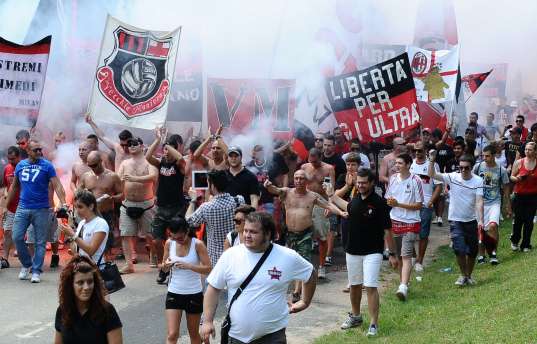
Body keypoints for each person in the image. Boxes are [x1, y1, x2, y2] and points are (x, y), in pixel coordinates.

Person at [200, 212, 317, 344]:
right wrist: (207, 321)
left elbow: (310, 273)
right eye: (245, 231)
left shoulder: (287, 256)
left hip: (273, 337)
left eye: (253, 232)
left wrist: (304, 302)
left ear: (267, 234)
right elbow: (213, 288)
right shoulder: (230, 255)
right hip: (236, 336)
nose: (247, 235)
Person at [328, 168, 397, 336]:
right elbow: (348, 207)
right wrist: (331, 195)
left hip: (373, 251)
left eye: (364, 183)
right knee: (355, 285)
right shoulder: (356, 199)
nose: (360, 185)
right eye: (358, 182)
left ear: (372, 183)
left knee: (371, 286)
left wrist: (393, 254)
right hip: (352, 250)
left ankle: (374, 323)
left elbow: (388, 230)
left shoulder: (380, 203)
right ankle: (356, 316)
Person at [264, 170, 347, 298]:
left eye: (301, 178)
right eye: (296, 178)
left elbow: (328, 205)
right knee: (290, 261)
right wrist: (268, 185)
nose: (298, 181)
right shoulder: (286, 192)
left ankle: (297, 290)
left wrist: (341, 213)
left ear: (306, 181)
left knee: (303, 260)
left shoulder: (312, 196)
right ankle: (285, 288)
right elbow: (274, 190)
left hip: (305, 234)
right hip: (290, 233)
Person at [6, 140, 67, 283]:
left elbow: (57, 185)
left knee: (40, 242)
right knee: (17, 237)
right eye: (36, 150)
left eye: (40, 149)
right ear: (28, 151)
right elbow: (14, 187)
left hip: (42, 209)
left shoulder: (47, 165)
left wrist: (63, 202)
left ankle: (36, 270)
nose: (39, 152)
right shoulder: (21, 165)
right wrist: (6, 206)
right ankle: (27, 264)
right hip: (23, 207)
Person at [429, 153, 484, 286]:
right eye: (461, 167)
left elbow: (479, 201)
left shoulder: (478, 181)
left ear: (472, 167)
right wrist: (431, 160)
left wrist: (480, 219)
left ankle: (469, 275)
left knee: (472, 251)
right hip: (455, 220)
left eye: (466, 168)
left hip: (471, 220)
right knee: (459, 249)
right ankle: (463, 275)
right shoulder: (453, 177)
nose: (463, 170)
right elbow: (433, 174)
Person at [145, 128, 187, 282]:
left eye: (169, 149)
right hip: (161, 208)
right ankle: (165, 266)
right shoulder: (161, 162)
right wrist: (158, 140)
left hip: (177, 208)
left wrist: (168, 144)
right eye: (164, 149)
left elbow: (181, 159)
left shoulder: (179, 165)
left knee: (178, 239)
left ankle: (172, 268)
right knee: (156, 240)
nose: (166, 152)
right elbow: (148, 156)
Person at [162, 217, 211, 344]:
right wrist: (165, 266)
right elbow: (163, 267)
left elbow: (208, 269)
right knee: (172, 334)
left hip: (194, 293)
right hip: (174, 292)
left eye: (180, 238)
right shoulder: (169, 243)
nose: (177, 241)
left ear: (187, 231)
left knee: (193, 333)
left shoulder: (198, 244)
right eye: (173, 237)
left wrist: (190, 266)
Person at [54, 255, 123, 344]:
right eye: (80, 283)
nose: (86, 287)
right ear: (70, 285)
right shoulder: (63, 310)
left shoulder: (107, 311)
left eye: (90, 282)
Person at [384, 153, 423, 301]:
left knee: (406, 256)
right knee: (400, 257)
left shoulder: (415, 180)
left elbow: (419, 205)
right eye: (396, 163)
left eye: (400, 163)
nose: (397, 166)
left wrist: (398, 204)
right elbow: (388, 198)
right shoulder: (393, 179)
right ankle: (403, 283)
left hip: (411, 222)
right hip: (394, 221)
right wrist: (391, 203)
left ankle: (403, 287)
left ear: (408, 164)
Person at [186, 169, 244, 267]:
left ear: (212, 185)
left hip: (216, 259)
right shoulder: (239, 200)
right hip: (237, 255)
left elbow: (189, 221)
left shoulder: (206, 207)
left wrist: (193, 200)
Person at [117, 137, 158, 274]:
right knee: (126, 234)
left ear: (142, 146)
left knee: (150, 234)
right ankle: (129, 264)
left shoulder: (149, 161)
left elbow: (153, 176)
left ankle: (153, 254)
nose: (131, 146)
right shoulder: (124, 163)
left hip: (146, 204)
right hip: (128, 203)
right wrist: (119, 182)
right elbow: (118, 179)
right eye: (129, 144)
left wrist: (135, 179)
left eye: (135, 144)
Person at [300, 148, 335, 278]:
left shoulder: (329, 169)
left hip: (321, 201)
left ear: (320, 157)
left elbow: (331, 188)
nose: (313, 163)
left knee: (322, 236)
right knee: (304, 235)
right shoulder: (304, 167)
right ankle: (305, 266)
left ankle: (321, 266)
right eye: (311, 160)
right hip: (307, 200)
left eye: (315, 161)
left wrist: (330, 206)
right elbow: (298, 184)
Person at [78, 151, 123, 251]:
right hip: (89, 214)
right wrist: (84, 194)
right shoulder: (86, 176)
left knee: (106, 241)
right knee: (88, 239)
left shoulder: (112, 176)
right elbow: (78, 194)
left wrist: (112, 198)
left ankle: (105, 261)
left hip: (106, 213)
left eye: (94, 165)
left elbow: (121, 194)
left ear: (101, 161)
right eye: (90, 165)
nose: (92, 168)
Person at [473, 145, 509, 264]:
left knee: (493, 226)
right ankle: (481, 255)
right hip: (480, 202)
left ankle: (493, 253)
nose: (485, 158)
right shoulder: (478, 167)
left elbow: (506, 187)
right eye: (483, 156)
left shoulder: (501, 170)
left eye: (487, 156)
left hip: (494, 202)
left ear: (494, 156)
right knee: (481, 228)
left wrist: (508, 204)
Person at [410, 142, 442, 273]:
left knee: (423, 234)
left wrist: (431, 202)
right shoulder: (410, 164)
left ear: (426, 151)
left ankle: (420, 261)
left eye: (420, 150)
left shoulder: (433, 165)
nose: (417, 153)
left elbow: (439, 186)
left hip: (425, 205)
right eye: (415, 150)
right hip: (410, 205)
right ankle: (412, 256)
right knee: (408, 232)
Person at [60, 190, 109, 265]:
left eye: (80, 207)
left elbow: (91, 251)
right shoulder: (81, 223)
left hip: (95, 269)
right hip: (81, 268)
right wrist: (71, 230)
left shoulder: (100, 223)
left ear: (91, 206)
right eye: (75, 207)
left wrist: (73, 235)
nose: (77, 210)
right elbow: (75, 251)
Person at [509, 142, 537, 252]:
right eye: (526, 149)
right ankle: (515, 240)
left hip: (533, 196)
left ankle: (526, 244)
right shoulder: (519, 162)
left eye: (530, 149)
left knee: (529, 221)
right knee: (518, 220)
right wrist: (517, 179)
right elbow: (511, 176)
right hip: (519, 195)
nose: (527, 151)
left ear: (535, 151)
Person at [246, 144, 289, 214]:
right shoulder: (249, 166)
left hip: (270, 201)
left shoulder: (271, 163)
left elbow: (283, 176)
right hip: (255, 202)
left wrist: (282, 193)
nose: (255, 155)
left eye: (258, 152)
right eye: (254, 152)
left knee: (270, 223)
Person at [1, 146, 21, 267]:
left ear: (18, 157)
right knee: (7, 232)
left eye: (13, 159)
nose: (10, 161)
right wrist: (4, 204)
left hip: (25, 206)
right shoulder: (7, 168)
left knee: (25, 233)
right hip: (11, 207)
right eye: (9, 159)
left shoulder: (24, 167)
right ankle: (5, 258)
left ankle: (27, 260)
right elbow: (5, 187)